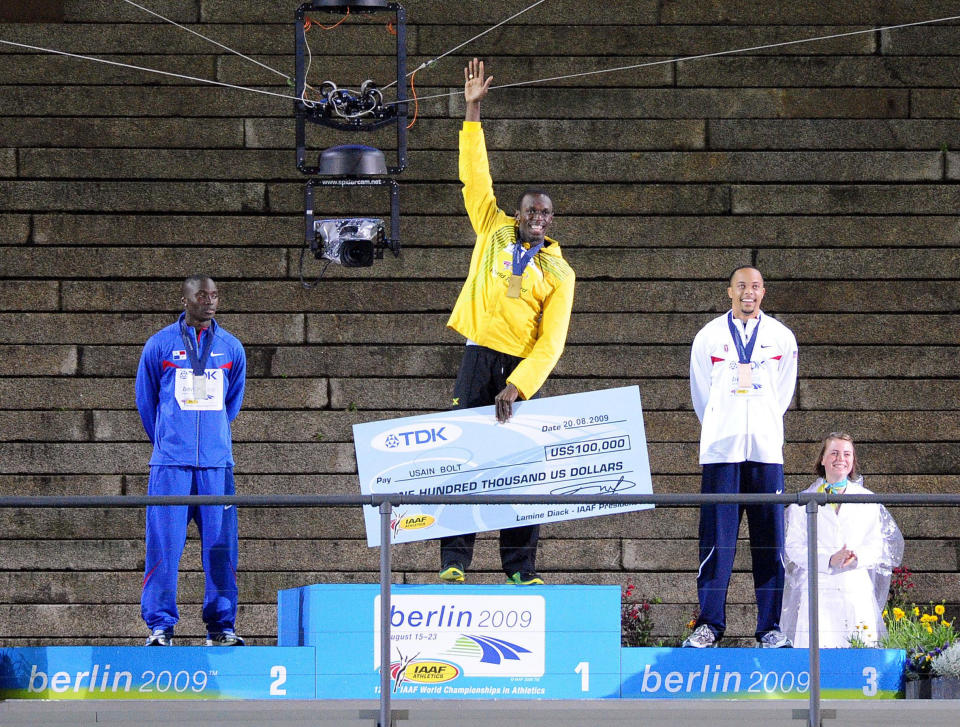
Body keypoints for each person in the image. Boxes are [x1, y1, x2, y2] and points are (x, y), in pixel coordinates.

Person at [437, 58, 576, 586]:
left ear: (551, 222)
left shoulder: (560, 271)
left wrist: (518, 388)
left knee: (522, 469)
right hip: (477, 356)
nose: (536, 219)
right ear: (518, 214)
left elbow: (553, 342)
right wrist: (472, 111)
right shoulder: (492, 230)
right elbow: (476, 177)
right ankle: (454, 561)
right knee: (463, 461)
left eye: (545, 214)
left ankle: (520, 567)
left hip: (520, 370)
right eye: (530, 212)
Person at [684, 266, 798, 648]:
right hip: (721, 451)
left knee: (770, 541)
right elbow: (702, 395)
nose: (748, 293)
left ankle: (769, 628)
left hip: (766, 452)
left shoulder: (782, 337)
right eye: (741, 286)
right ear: (728, 291)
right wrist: (722, 425)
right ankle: (709, 625)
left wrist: (760, 424)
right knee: (717, 540)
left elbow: (782, 396)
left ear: (763, 292)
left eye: (755, 286)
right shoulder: (708, 337)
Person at [135, 275, 247, 646]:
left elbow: (230, 404)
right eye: (202, 295)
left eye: (215, 295)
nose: (210, 301)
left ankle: (221, 627)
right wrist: (171, 441)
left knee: (221, 546)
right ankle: (160, 626)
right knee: (164, 546)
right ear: (184, 299)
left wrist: (211, 441)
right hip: (170, 466)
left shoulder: (231, 348)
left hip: (217, 467)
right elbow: (146, 401)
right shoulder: (160, 345)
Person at [780, 432, 904, 648]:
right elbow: (793, 548)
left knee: (858, 651)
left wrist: (856, 558)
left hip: (855, 588)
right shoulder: (801, 503)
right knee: (816, 654)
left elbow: (877, 544)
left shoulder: (868, 500)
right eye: (834, 453)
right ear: (823, 459)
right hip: (818, 589)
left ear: (853, 460)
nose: (841, 459)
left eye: (847, 454)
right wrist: (828, 559)